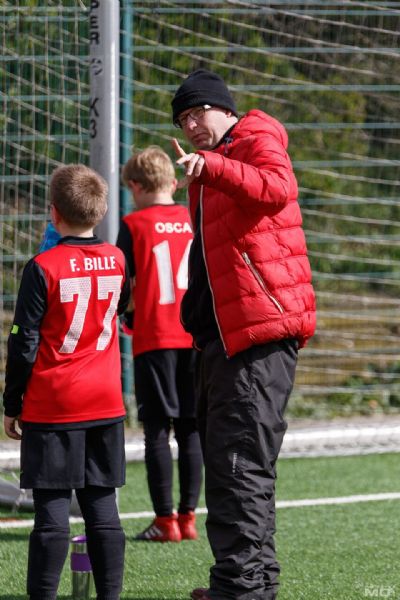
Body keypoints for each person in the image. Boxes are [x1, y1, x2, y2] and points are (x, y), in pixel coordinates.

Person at [170, 69, 316, 600]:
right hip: (226, 338)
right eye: (183, 120)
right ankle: (251, 583)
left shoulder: (255, 138)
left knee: (239, 468)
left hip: (257, 336)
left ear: (225, 109)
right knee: (235, 467)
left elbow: (278, 189)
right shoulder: (211, 166)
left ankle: (241, 589)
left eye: (198, 112)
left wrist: (213, 167)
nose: (191, 125)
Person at [3, 163, 130, 600]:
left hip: (55, 404)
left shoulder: (43, 266)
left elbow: (23, 342)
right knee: (102, 508)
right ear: (102, 210)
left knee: (52, 514)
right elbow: (118, 311)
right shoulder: (118, 259)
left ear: (53, 212)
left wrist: (12, 403)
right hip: (106, 402)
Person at [116, 146, 203, 542]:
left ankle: (164, 521)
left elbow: (125, 285)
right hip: (194, 336)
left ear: (136, 186)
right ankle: (189, 518)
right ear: (172, 182)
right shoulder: (192, 217)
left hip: (154, 337)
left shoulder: (133, 224)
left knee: (156, 430)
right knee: (190, 427)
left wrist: (126, 315)